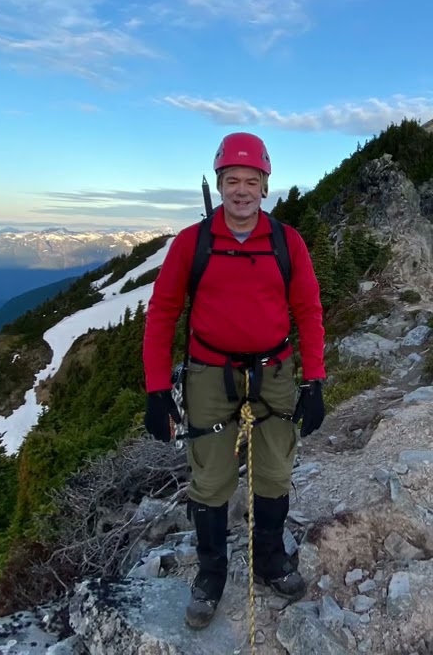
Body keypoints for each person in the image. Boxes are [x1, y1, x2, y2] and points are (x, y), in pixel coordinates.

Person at [141, 131, 327, 630]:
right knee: (210, 477)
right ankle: (212, 575)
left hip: (275, 370)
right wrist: (157, 390)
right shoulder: (192, 243)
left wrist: (315, 381)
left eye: (251, 180)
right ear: (220, 185)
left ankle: (268, 558)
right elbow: (161, 314)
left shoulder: (287, 243)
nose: (241, 190)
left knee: (273, 471)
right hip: (209, 372)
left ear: (266, 186)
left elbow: (308, 310)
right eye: (232, 180)